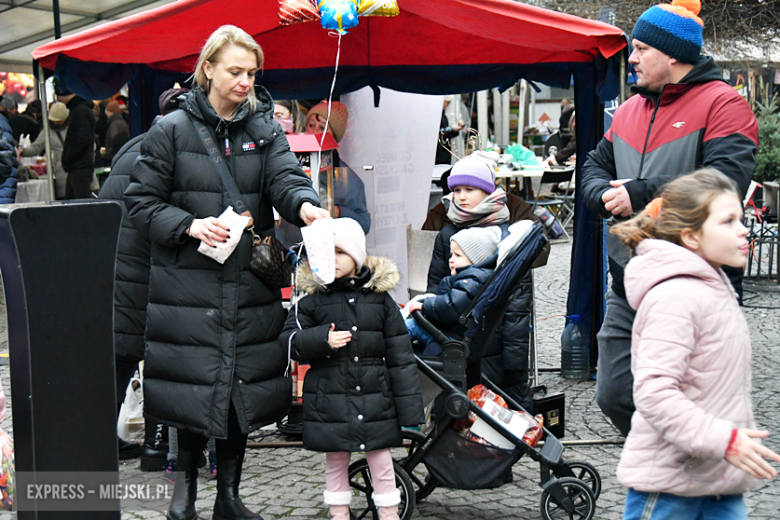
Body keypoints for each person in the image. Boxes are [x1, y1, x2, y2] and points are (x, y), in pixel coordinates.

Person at [124, 25, 328, 520]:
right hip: (187, 285)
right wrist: (190, 225)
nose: (244, 81)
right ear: (208, 68)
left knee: (239, 391)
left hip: (247, 282)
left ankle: (229, 499)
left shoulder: (264, 127)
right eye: (235, 71)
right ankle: (184, 498)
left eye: (252, 72)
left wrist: (305, 206)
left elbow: (284, 177)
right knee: (194, 389)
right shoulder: (170, 130)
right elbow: (140, 204)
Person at [580, 0, 758, 437]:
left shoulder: (725, 105)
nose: (632, 58)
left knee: (694, 396)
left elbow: (724, 184)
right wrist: (603, 195)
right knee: (615, 393)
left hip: (696, 280)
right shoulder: (628, 110)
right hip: (629, 276)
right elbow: (592, 166)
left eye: (640, 49)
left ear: (673, 54)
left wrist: (639, 192)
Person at [611, 169, 780, 519]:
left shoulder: (713, 286)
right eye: (728, 221)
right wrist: (725, 440)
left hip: (718, 483)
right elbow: (655, 393)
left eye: (742, 218)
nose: (744, 229)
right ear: (690, 236)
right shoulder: (675, 295)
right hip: (670, 488)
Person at [279, 217, 424, 520]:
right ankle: (338, 513)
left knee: (381, 459)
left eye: (340, 252)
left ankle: (388, 513)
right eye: (325, 252)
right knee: (336, 459)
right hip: (330, 399)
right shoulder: (311, 301)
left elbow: (401, 357)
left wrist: (410, 412)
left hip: (375, 398)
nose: (331, 259)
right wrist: (321, 340)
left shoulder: (380, 301)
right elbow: (288, 341)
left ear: (357, 258)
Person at [99, 87, 189, 468]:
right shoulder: (174, 152)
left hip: (112, 264)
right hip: (148, 269)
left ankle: (98, 440)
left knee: (118, 358)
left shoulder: (134, 143)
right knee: (161, 360)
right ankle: (157, 451)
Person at [425, 154, 536, 409]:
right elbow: (435, 284)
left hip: (496, 340)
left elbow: (518, 301)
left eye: (469, 189)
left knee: (502, 404)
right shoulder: (447, 234)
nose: (461, 196)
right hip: (455, 337)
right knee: (456, 405)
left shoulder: (507, 235)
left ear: (487, 192)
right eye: (456, 190)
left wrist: (515, 356)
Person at [406, 226, 502, 357]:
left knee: (407, 326)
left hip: (454, 339)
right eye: (451, 254)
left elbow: (450, 306)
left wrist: (424, 306)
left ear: (476, 259)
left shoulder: (473, 280)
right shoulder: (475, 278)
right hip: (452, 333)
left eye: (458, 255)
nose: (450, 259)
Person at [20, 101, 69, 199]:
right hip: (61, 173)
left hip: (76, 172)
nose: (56, 122)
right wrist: (22, 151)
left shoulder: (76, 126)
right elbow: (36, 147)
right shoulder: (48, 130)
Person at [55, 82, 97, 199]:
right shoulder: (81, 108)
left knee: (80, 203)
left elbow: (82, 139)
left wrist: (68, 158)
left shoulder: (80, 110)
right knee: (74, 201)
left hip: (79, 165)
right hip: (79, 165)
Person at [435, 95, 464, 165]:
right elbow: (438, 134)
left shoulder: (443, 115)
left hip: (444, 151)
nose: (448, 105)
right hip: (439, 153)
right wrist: (453, 129)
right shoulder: (437, 115)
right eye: (447, 102)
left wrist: (455, 130)